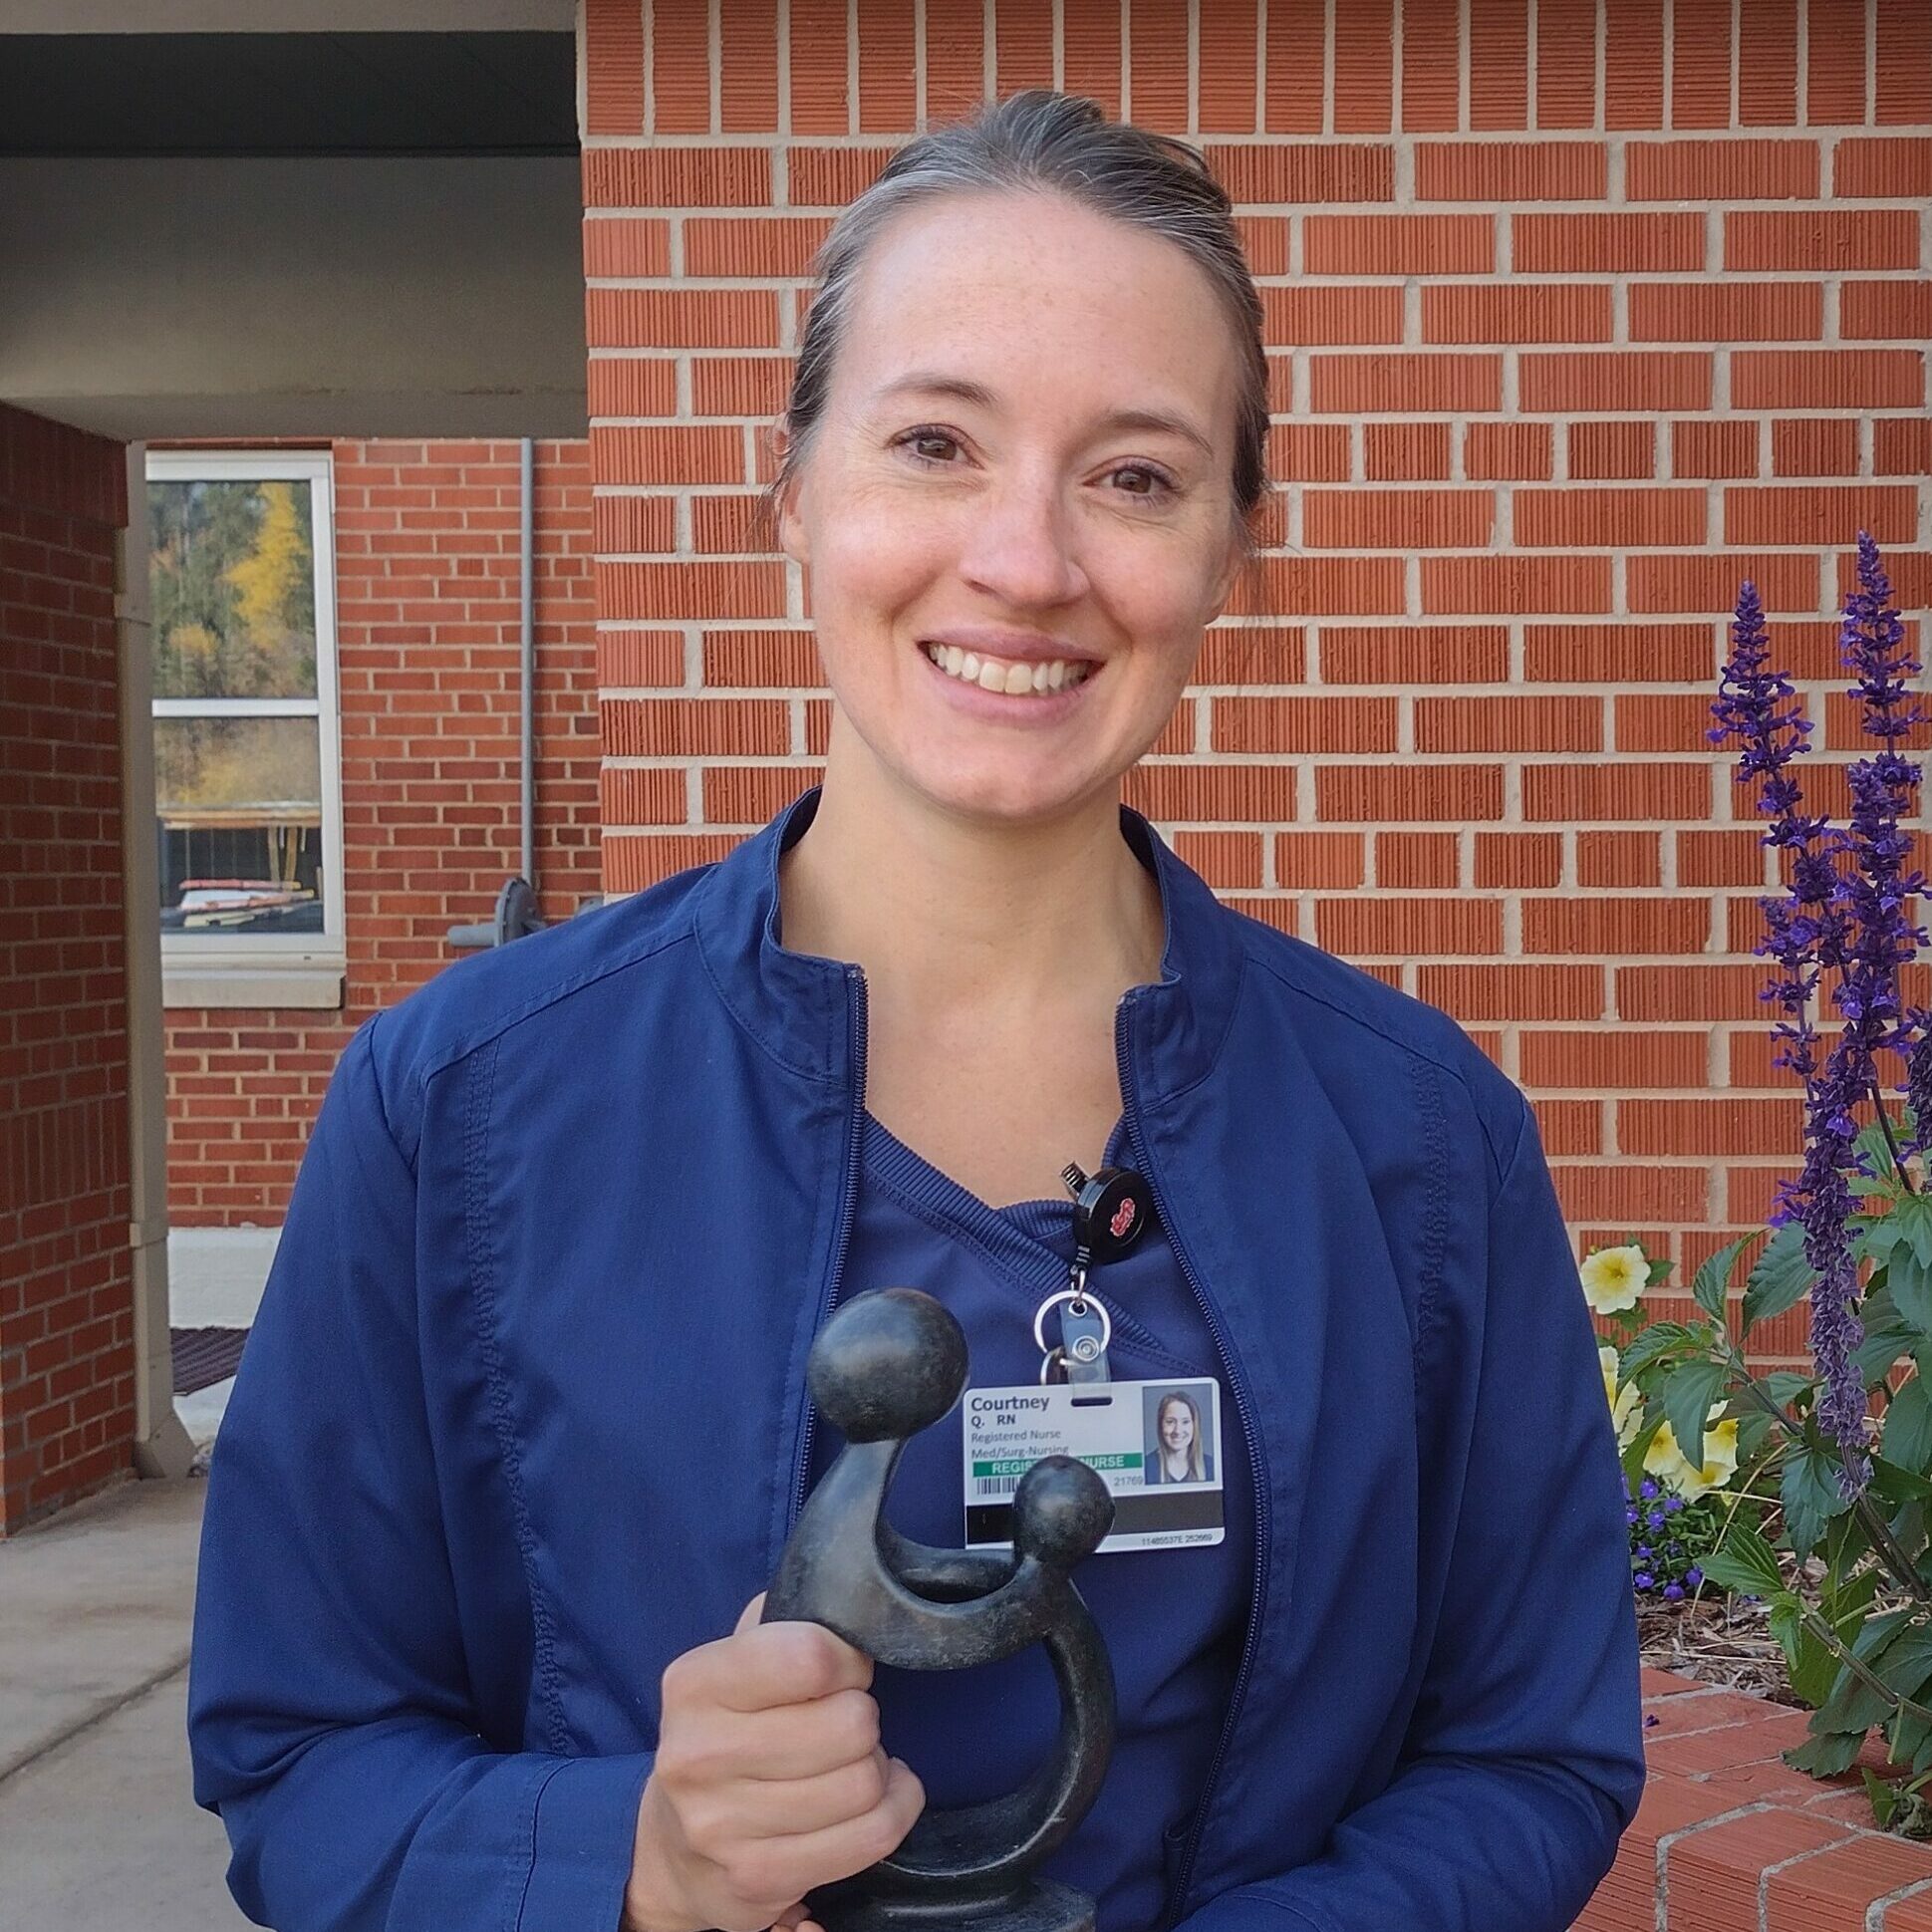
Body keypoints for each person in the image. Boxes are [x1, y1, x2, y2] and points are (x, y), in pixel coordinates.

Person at [187, 89, 1645, 1932]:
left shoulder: (1419, 1139)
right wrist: (621, 1854)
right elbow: (298, 1760)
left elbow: (1529, 1750)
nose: (1026, 561)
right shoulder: (457, 1108)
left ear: (1228, 550)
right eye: (936, 441)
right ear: (796, 490)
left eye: (1132, 473)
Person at [1148, 1390, 1209, 1485]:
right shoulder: (1146, 1467)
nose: (1177, 1430)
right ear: (1160, 1425)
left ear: (1194, 1425)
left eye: (1185, 1422)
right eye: (1170, 1422)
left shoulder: (1211, 1466)